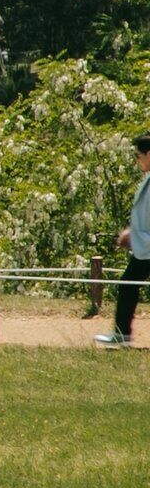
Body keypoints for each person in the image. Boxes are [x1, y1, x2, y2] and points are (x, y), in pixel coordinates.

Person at [110, 134, 150, 349]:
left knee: (128, 284)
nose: (137, 161)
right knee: (127, 284)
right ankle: (121, 333)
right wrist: (133, 233)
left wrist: (133, 236)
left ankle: (122, 334)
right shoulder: (148, 179)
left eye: (138, 156)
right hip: (145, 247)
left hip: (147, 246)